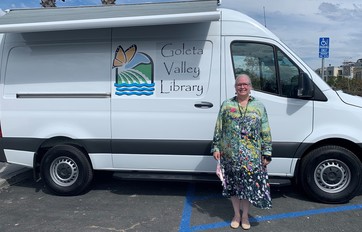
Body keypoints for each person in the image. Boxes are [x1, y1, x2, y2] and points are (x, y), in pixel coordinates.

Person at [212, 74, 272, 230]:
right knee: (232, 186)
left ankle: (245, 216)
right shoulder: (226, 105)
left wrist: (267, 152)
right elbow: (219, 127)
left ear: (250, 86)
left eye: (245, 84)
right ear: (235, 87)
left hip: (251, 157)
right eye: (239, 84)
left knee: (248, 188)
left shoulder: (259, 106)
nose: (242, 87)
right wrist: (216, 147)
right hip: (230, 155)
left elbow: (265, 130)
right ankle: (236, 215)